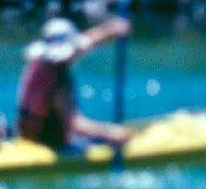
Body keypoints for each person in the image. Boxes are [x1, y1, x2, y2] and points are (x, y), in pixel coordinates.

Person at [16, 16, 133, 149]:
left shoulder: (40, 63)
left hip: (27, 136)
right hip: (49, 144)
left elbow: (88, 40)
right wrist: (110, 132)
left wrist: (112, 29)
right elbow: (76, 124)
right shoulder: (58, 79)